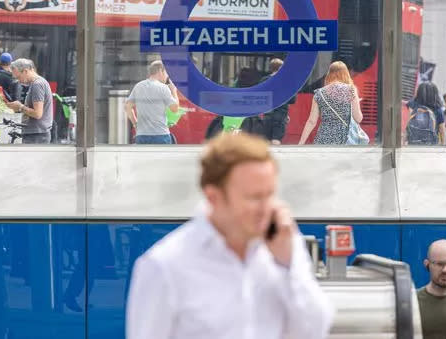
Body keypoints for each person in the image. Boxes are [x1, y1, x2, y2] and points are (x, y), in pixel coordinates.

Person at [126, 133, 334, 339]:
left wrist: (288, 266)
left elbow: (315, 330)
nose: (266, 208)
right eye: (254, 197)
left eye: (270, 194)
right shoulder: (165, 267)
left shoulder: (282, 248)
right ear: (214, 198)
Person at [298, 61, 362, 145]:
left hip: (323, 140)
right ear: (346, 74)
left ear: (329, 74)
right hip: (344, 140)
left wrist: (301, 143)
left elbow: (311, 121)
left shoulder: (319, 93)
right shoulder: (351, 90)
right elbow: (358, 118)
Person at [125, 60, 179, 144]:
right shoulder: (163, 88)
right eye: (166, 73)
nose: (167, 76)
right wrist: (174, 91)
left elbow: (128, 106)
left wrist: (135, 124)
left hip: (141, 135)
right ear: (161, 71)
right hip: (160, 135)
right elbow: (175, 109)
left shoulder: (138, 86)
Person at [6, 58, 53, 144]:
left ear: (25, 71)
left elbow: (37, 114)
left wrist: (20, 107)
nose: (18, 81)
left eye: (18, 77)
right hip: (36, 134)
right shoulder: (37, 83)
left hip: (36, 135)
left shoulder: (37, 85)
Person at [259, 58, 295, 144]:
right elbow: (293, 100)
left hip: (267, 114)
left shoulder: (263, 80)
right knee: (276, 140)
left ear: (271, 68)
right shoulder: (287, 81)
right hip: (281, 115)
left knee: (266, 141)